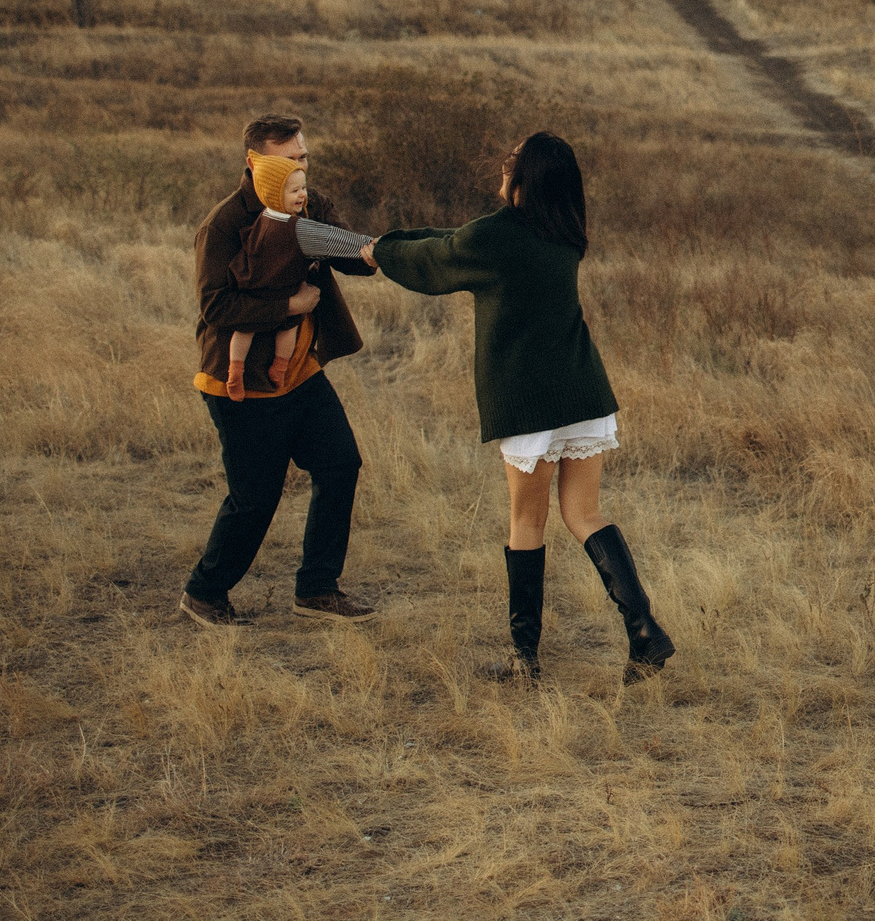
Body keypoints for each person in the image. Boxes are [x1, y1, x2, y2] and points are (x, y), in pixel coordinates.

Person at [361, 132, 673, 683]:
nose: (503, 167)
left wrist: (381, 253)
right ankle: (644, 631)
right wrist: (391, 242)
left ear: (523, 181)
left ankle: (524, 660)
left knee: (526, 520)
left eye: (510, 163)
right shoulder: (566, 233)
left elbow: (437, 257)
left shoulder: (496, 237)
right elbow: (454, 240)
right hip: (583, 390)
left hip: (531, 403)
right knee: (584, 515)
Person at [182, 114, 377, 629]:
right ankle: (204, 594)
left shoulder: (306, 204)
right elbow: (216, 309)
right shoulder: (224, 224)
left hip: (301, 373)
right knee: (255, 498)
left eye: (304, 157)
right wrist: (290, 305)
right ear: (254, 162)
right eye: (290, 159)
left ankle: (316, 589)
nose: (301, 167)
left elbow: (353, 255)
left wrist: (390, 251)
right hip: (238, 382)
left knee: (340, 465)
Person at [221, 154, 314, 394]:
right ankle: (236, 372)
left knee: (284, 328)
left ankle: (276, 369)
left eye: (303, 188)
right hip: (263, 289)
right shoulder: (290, 224)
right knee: (251, 329)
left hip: (272, 286)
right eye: (294, 191)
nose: (302, 195)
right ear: (274, 195)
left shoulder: (269, 216)